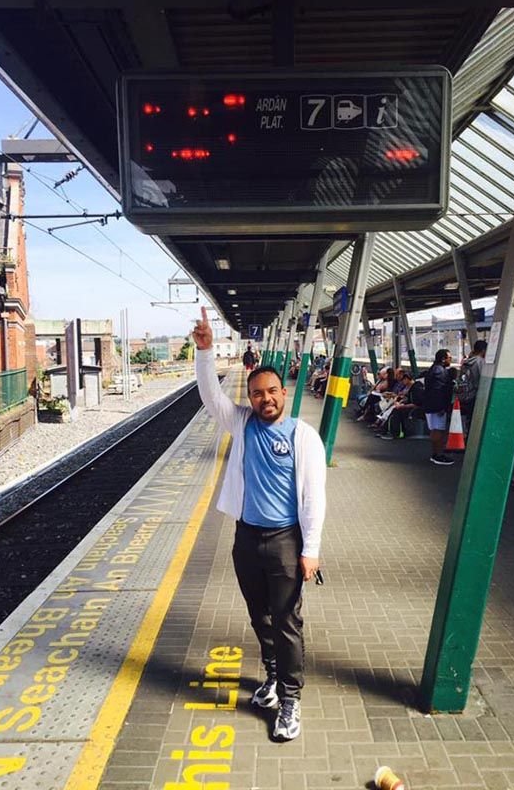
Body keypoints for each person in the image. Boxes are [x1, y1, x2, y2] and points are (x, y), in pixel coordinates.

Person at [192, 307, 327, 741]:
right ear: (249, 398)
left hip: (286, 541)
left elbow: (314, 497)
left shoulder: (304, 436)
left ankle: (290, 699)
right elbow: (211, 397)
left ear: (284, 393)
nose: (265, 399)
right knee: (260, 616)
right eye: (256, 394)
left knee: (287, 622)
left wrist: (310, 550)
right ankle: (271, 676)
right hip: (246, 538)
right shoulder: (243, 423)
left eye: (271, 392)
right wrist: (205, 352)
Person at [422, 349, 455, 465]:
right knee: (438, 430)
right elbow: (440, 391)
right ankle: (439, 455)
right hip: (437, 406)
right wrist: (442, 407)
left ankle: (435, 453)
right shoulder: (441, 372)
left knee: (434, 430)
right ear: (443, 359)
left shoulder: (433, 369)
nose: (451, 360)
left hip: (430, 405)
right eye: (449, 358)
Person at [457, 340, 487, 432]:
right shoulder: (480, 362)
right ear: (483, 350)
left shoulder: (466, 362)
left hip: (465, 394)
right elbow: (483, 379)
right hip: (475, 395)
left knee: (468, 420)